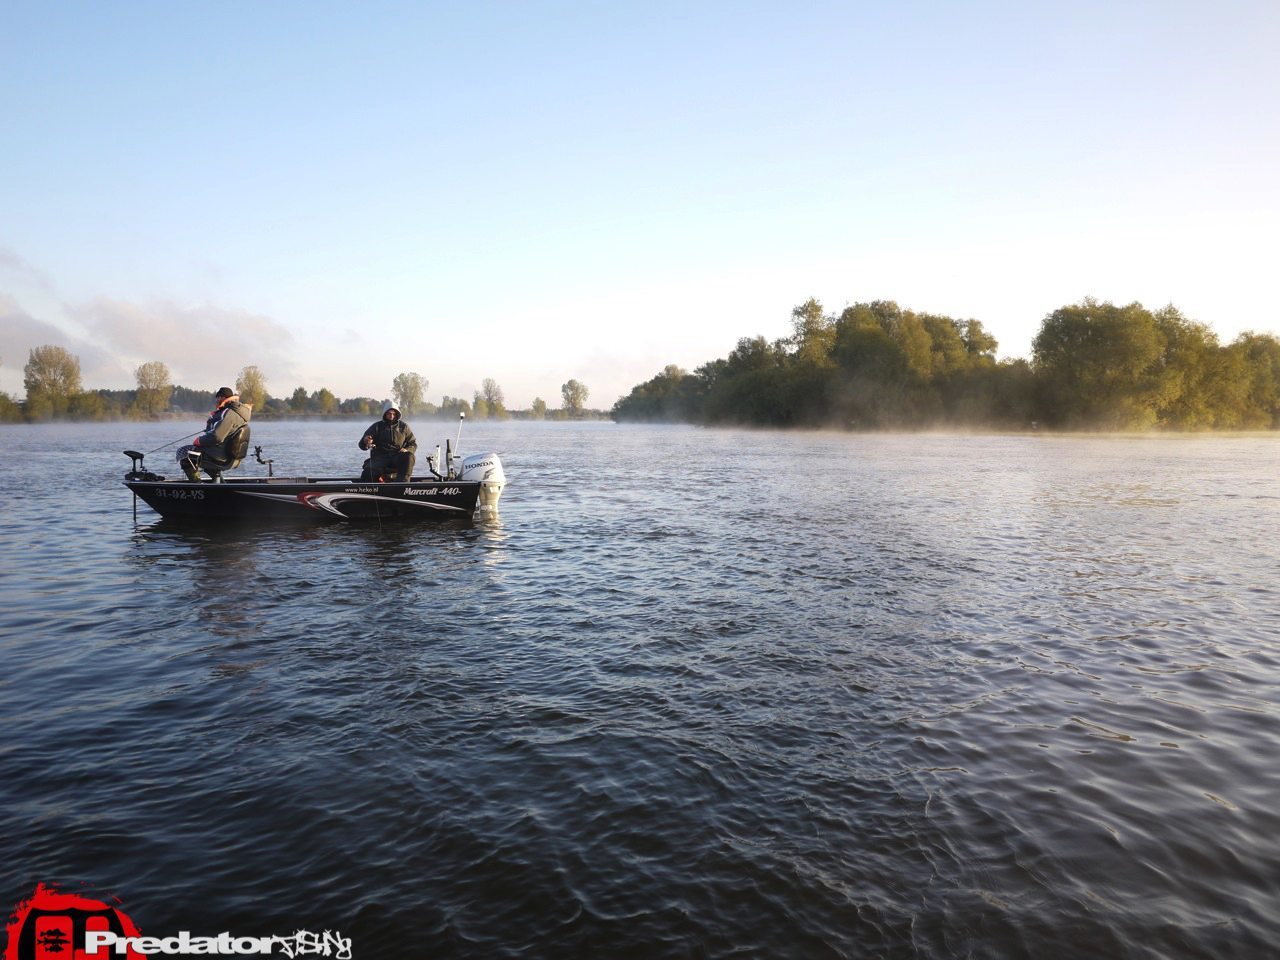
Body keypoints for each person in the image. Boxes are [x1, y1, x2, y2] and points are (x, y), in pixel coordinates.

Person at [176, 387, 253, 481]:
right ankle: (222, 486)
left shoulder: (229, 413)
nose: (217, 400)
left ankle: (198, 486)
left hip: (220, 456)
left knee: (186, 456)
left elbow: (217, 437)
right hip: (231, 457)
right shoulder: (239, 413)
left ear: (223, 397)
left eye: (218, 397)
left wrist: (199, 441)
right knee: (197, 456)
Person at [358, 406, 417, 481]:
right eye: (389, 413)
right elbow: (362, 445)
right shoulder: (376, 426)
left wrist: (407, 449)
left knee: (409, 456)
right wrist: (366, 441)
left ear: (397, 414)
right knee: (368, 472)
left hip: (397, 456)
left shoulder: (404, 427)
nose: (391, 416)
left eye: (393, 414)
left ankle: (403, 483)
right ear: (385, 414)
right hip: (380, 457)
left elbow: (413, 443)